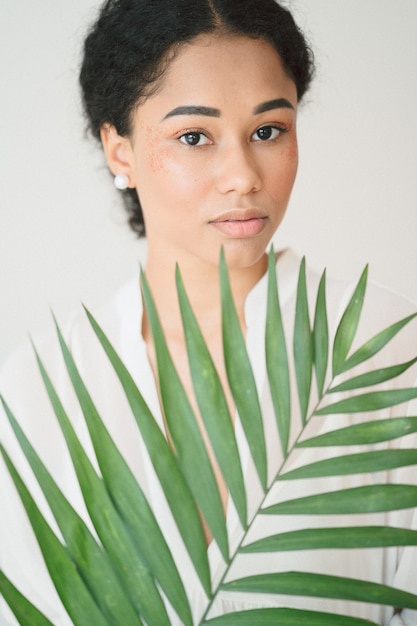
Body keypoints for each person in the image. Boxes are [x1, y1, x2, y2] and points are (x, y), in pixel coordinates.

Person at [1, 1, 416, 625]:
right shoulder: (37, 396)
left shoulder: (383, 354)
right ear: (120, 151)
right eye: (194, 137)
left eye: (269, 130)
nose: (243, 177)